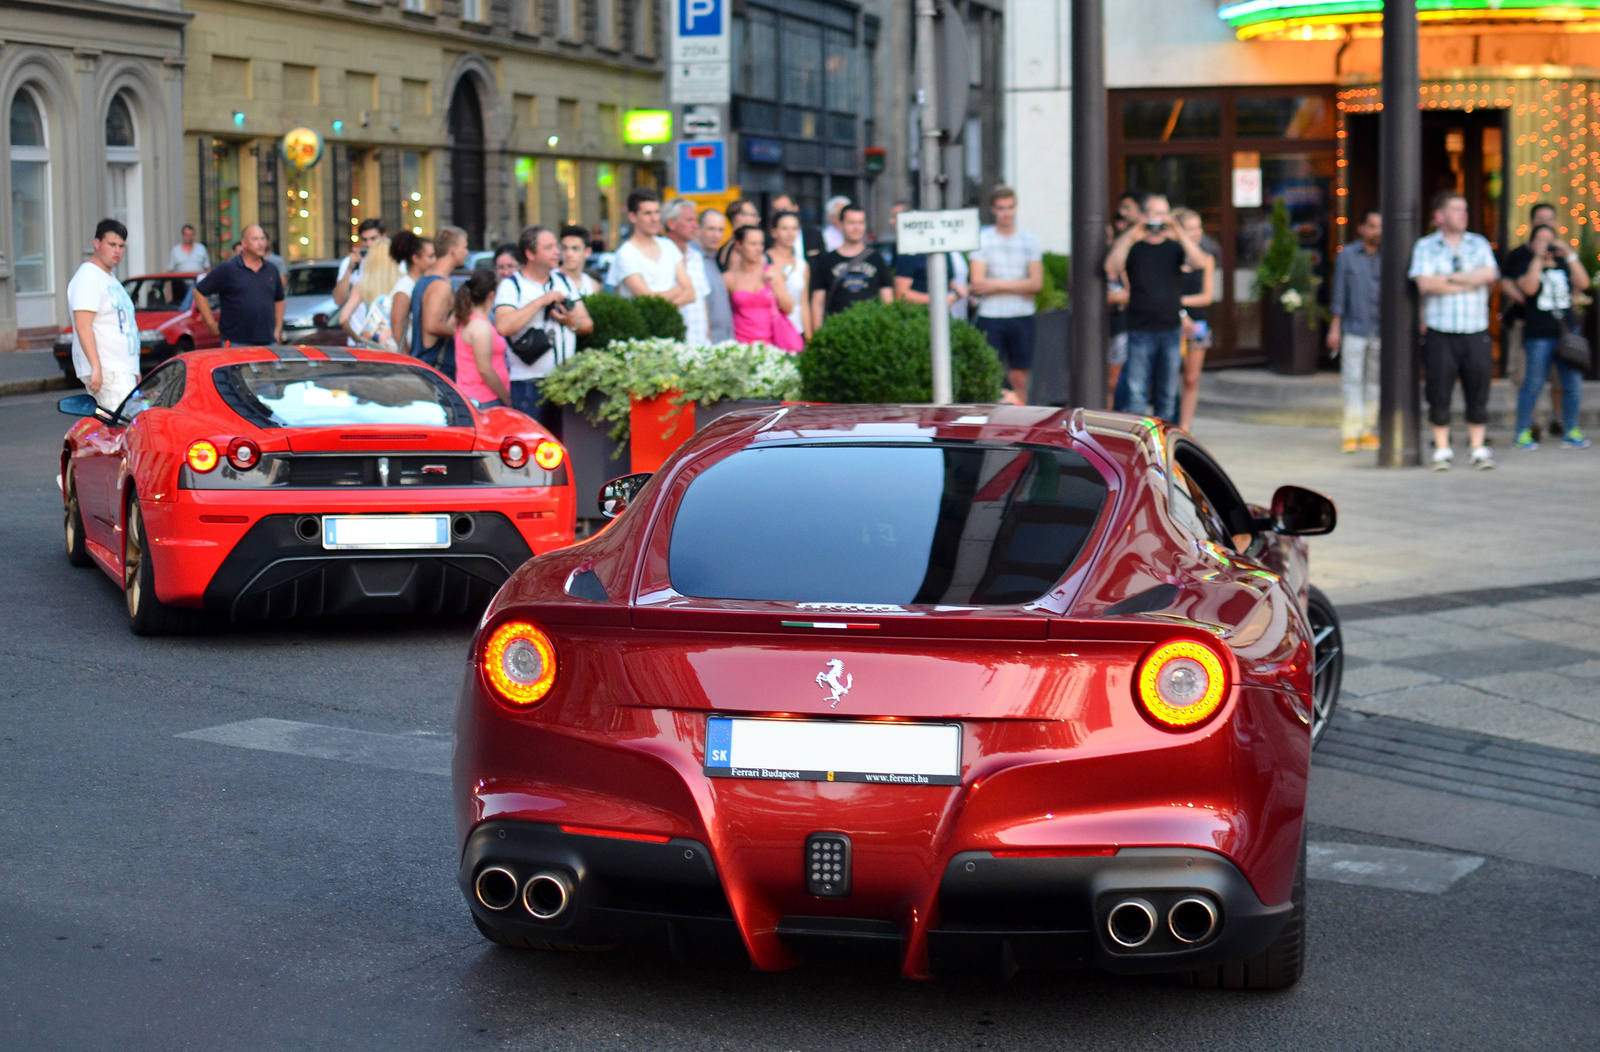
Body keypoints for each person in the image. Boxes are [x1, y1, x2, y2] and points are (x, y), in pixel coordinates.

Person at [1408, 191, 1501, 470]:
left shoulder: (1479, 243)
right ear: (1440, 216)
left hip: (1475, 330)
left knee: (1478, 386)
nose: (1464, 214)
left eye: (1465, 209)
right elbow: (1425, 283)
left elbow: (1489, 275)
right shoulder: (1426, 246)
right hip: (1441, 331)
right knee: (1439, 388)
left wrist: (1446, 278)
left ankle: (1478, 448)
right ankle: (1442, 447)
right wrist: (1468, 281)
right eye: (1456, 209)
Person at [1103, 193, 1209, 423]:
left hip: (1170, 329)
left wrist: (1178, 230)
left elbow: (1200, 262)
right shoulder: (1135, 246)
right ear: (1144, 215)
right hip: (1140, 330)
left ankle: (1165, 452)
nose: (1160, 219)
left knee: (1168, 397)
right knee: (1137, 396)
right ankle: (1140, 450)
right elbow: (1111, 266)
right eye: (1156, 213)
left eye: (1164, 213)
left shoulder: (1174, 247)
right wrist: (1134, 231)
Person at [496, 225, 593, 428]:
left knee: (564, 446)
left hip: (565, 380)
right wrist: (541, 301)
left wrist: (569, 321)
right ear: (530, 253)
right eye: (549, 247)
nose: (557, 251)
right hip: (529, 383)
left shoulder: (563, 281)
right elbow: (503, 326)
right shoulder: (512, 285)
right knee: (533, 447)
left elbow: (587, 324)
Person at [1510, 223, 1591, 450]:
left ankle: (1570, 430)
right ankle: (1522, 431)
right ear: (1532, 243)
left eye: (1550, 240)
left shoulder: (1565, 264)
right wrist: (1538, 260)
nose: (1546, 245)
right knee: (1533, 383)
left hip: (1566, 333)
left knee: (1572, 384)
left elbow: (1583, 283)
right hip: (1539, 334)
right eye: (1541, 240)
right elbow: (1529, 289)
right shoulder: (1526, 264)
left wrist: (1570, 254)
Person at [970, 185, 1044, 403]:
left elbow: (1036, 283)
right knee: (989, 374)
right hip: (990, 316)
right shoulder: (983, 239)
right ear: (993, 210)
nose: (1006, 213)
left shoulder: (1029, 240)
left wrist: (995, 285)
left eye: (1010, 208)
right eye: (1001, 208)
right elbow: (977, 282)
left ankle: (1023, 420)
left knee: (1019, 376)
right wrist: (1021, 286)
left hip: (1021, 315)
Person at [1502, 201, 1563, 434]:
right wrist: (1526, 299)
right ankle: (1533, 420)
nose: (1544, 223)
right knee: (1527, 375)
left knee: (1558, 376)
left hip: (1556, 325)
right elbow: (1505, 282)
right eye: (1540, 219)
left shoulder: (1561, 253)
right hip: (1524, 321)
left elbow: (1579, 283)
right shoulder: (1519, 254)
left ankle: (1558, 418)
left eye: (1549, 219)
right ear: (1531, 222)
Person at [68, 219, 140, 410]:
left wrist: (135, 370)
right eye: (112, 245)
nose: (117, 251)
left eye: (121, 246)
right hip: (109, 371)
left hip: (123, 370)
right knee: (122, 431)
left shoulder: (110, 278)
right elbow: (83, 325)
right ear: (97, 243)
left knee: (130, 430)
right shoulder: (89, 277)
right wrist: (96, 368)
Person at [1327, 209, 1383, 453]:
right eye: (1372, 226)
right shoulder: (1347, 256)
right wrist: (1334, 328)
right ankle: (1351, 431)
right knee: (1352, 381)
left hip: (1380, 329)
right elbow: (1339, 294)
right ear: (1361, 228)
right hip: (1353, 327)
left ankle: (1368, 430)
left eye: (1380, 227)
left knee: (1374, 382)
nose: (1377, 232)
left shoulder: (1388, 255)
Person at [607, 188, 696, 321]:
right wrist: (676, 290)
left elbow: (691, 293)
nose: (654, 219)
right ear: (632, 216)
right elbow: (647, 300)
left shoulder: (668, 246)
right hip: (640, 331)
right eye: (647, 213)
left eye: (657, 212)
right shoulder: (626, 253)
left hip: (672, 328)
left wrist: (662, 306)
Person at [195, 223, 284, 346]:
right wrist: (211, 323)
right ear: (244, 243)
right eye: (255, 239)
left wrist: (278, 330)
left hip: (267, 342)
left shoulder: (271, 269)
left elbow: (279, 299)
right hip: (236, 342)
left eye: (263, 239)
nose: (260, 243)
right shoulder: (228, 268)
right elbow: (199, 291)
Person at [809, 204, 894, 327]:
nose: (857, 228)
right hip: (836, 330)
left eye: (861, 223)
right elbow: (818, 302)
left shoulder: (876, 259)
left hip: (870, 330)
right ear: (841, 224)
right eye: (852, 222)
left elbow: (887, 299)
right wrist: (818, 335)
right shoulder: (827, 260)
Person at [1172, 207, 1218, 432]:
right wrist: (1178, 309)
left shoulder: (1205, 258)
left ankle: (1185, 427)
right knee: (1170, 376)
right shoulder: (1171, 256)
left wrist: (1180, 301)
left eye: (1198, 227)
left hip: (1197, 324)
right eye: (1190, 228)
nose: (1196, 232)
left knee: (1191, 378)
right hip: (1170, 321)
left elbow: (1207, 297)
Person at [724, 225, 801, 349]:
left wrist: (774, 285)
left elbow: (789, 308)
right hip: (739, 345)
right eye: (752, 244)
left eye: (761, 244)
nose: (758, 249)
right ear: (739, 245)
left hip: (771, 344)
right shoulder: (729, 278)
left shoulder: (772, 273)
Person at [1108, 191, 1149, 404]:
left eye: (1127, 208)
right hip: (1124, 322)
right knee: (1126, 381)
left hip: (1146, 320)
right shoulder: (1123, 242)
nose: (1121, 213)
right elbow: (1113, 269)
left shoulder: (1147, 242)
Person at [452, 270, 513, 409]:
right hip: (485, 399)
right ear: (492, 295)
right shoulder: (480, 327)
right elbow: (485, 369)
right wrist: (506, 397)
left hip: (477, 397)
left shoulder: (468, 320)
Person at [411, 224, 467, 372]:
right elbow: (432, 326)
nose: (466, 252)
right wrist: (462, 334)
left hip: (426, 363)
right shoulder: (440, 284)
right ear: (453, 251)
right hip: (435, 365)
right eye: (464, 247)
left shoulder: (426, 278)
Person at [337, 237, 400, 351]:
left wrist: (360, 341)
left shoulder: (362, 285)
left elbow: (343, 319)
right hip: (397, 346)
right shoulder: (401, 282)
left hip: (373, 347)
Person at [662, 197, 710, 345]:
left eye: (695, 220)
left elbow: (703, 300)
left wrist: (708, 336)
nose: (695, 225)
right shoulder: (659, 255)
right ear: (671, 224)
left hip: (700, 344)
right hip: (673, 343)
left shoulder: (696, 256)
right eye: (689, 220)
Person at [387, 231, 435, 357]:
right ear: (416, 258)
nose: (434, 261)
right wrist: (407, 356)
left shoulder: (418, 283)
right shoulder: (405, 287)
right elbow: (396, 323)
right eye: (430, 257)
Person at [689, 211, 734, 342]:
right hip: (705, 342)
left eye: (720, 230)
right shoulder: (691, 259)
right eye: (711, 229)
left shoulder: (712, 257)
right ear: (698, 229)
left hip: (724, 340)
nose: (716, 235)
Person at [767, 210, 812, 338]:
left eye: (794, 228)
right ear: (774, 232)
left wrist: (809, 338)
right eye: (784, 228)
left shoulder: (802, 265)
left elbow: (804, 303)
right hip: (770, 331)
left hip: (796, 331)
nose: (790, 234)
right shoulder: (764, 260)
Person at [335, 218, 386, 305]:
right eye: (364, 240)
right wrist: (349, 269)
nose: (369, 244)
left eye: (373, 239)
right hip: (359, 318)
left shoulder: (394, 261)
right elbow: (338, 300)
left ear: (383, 237)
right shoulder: (350, 262)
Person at [769, 193, 825, 261]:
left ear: (795, 208)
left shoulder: (814, 235)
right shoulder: (768, 241)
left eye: (784, 209)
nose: (781, 213)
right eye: (777, 211)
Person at [716, 198, 761, 270]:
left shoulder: (728, 245)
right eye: (754, 215)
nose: (758, 219)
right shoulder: (738, 248)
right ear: (739, 217)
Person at [558, 224, 600, 298]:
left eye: (575, 249)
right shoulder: (548, 280)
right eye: (565, 248)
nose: (569, 254)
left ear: (587, 252)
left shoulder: (593, 286)